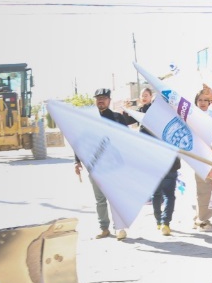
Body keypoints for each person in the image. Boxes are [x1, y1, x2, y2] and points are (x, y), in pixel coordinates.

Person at [74, 87, 134, 240]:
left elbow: (126, 141)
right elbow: (80, 142)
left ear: (109, 100)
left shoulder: (117, 118)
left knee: (115, 197)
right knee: (100, 200)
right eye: (98, 98)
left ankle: (120, 228)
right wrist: (77, 162)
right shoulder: (88, 120)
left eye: (104, 98)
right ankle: (104, 228)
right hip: (95, 165)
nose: (101, 100)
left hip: (114, 165)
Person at [143, 87, 180, 236]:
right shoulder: (175, 119)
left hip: (162, 162)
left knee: (159, 194)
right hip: (164, 162)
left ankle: (161, 222)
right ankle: (164, 222)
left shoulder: (149, 119)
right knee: (167, 195)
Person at [190, 89, 212, 231]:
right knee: (204, 189)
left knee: (209, 189)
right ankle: (203, 221)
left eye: (205, 100)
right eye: (200, 100)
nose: (203, 103)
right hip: (201, 156)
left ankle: (200, 217)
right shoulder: (192, 117)